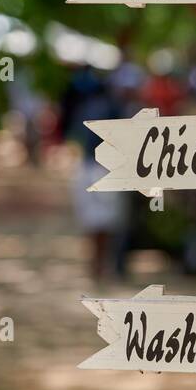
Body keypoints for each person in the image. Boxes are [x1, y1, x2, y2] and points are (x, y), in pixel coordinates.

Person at [59, 67, 128, 281]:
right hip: (97, 166)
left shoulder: (98, 107)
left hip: (97, 167)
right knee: (100, 222)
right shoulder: (103, 106)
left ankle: (99, 266)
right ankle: (98, 266)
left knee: (101, 222)